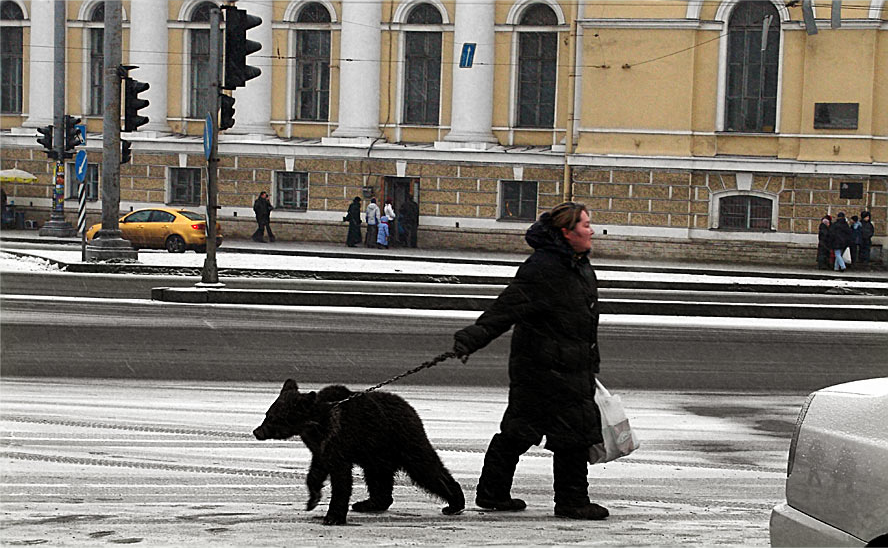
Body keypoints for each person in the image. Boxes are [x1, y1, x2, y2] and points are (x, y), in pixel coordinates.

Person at [451, 201, 609, 521]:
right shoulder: (544, 267)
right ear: (567, 232)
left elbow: (584, 323)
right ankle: (572, 500)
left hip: (566, 364)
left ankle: (493, 493)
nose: (591, 230)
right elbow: (507, 308)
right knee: (572, 434)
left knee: (520, 429)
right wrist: (472, 338)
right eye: (585, 225)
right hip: (545, 367)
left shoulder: (578, 266)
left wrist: (591, 361)